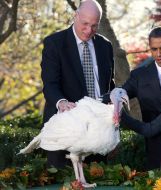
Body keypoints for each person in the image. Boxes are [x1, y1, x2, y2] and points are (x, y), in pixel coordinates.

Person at [41, 0, 115, 168]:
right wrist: (61, 102)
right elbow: (50, 84)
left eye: (94, 26)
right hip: (65, 131)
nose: (89, 31)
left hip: (97, 132)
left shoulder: (105, 46)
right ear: (75, 16)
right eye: (85, 24)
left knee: (98, 181)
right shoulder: (55, 43)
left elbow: (109, 85)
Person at [122, 26, 161, 170]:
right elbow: (120, 93)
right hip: (156, 152)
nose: (159, 54)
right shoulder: (139, 76)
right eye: (154, 49)